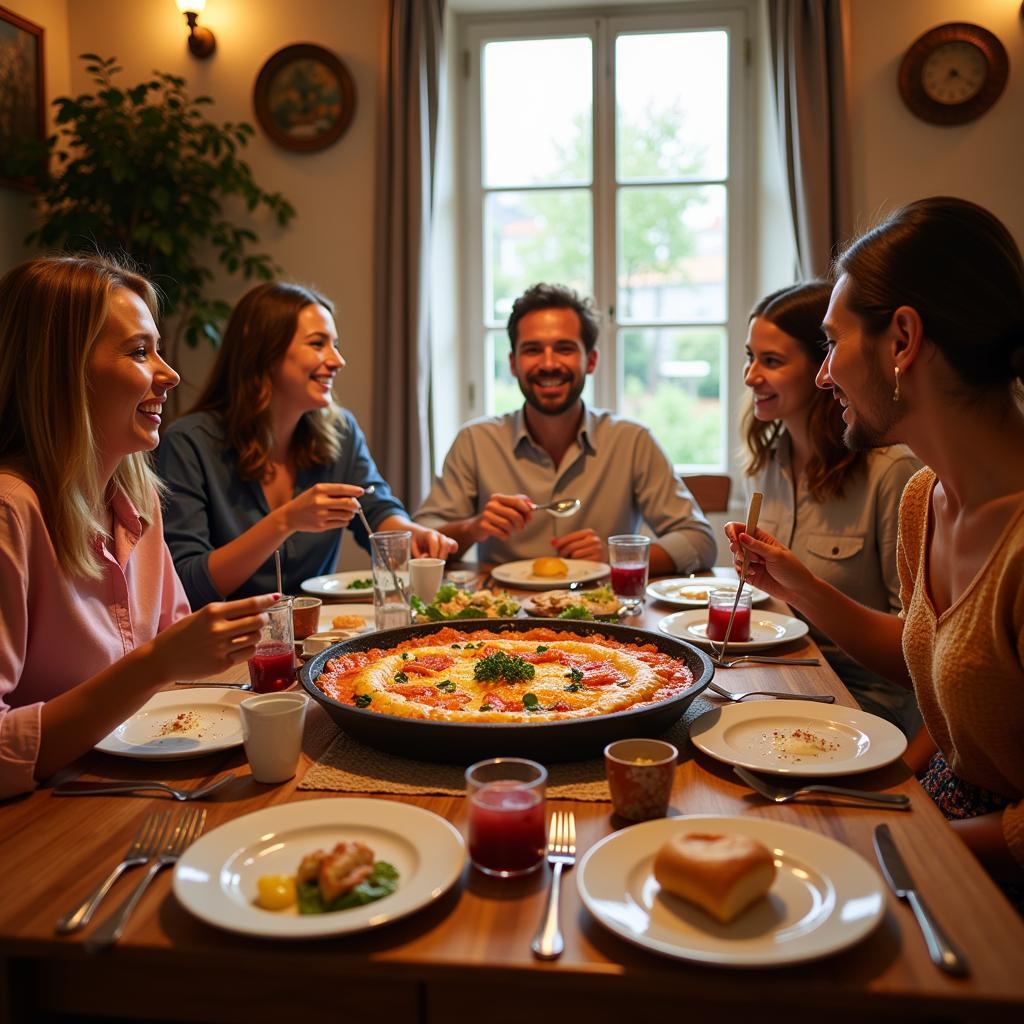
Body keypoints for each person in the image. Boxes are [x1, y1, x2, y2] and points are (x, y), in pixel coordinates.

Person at [726, 197, 1024, 896]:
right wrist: (798, 585)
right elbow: (935, 660)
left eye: (830, 343)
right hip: (939, 811)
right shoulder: (930, 498)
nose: (825, 375)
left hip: (985, 862)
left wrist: (910, 842)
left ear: (902, 341)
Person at [0, 256, 278, 800]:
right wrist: (157, 663)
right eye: (139, 351)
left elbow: (181, 657)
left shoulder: (136, 497)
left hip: (141, 786)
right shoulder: (11, 512)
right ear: (61, 370)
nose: (170, 373)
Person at [157, 282, 455, 608]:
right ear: (263, 351)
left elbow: (376, 509)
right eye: (318, 344)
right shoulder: (189, 443)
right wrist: (284, 522)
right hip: (229, 644)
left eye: (336, 345)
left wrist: (411, 536)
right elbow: (186, 582)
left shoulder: (341, 430)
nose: (338, 360)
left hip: (318, 636)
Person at [416, 283, 716, 573]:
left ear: (591, 360)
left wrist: (619, 557)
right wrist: (473, 527)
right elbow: (421, 543)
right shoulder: (476, 441)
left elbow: (700, 541)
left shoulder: (631, 440)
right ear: (513, 363)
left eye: (564, 348)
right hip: (504, 619)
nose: (548, 364)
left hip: (606, 616)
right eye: (533, 349)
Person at [742, 282, 922, 735]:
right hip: (786, 674)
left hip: (866, 700)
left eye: (772, 361)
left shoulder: (891, 472)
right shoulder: (770, 461)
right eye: (750, 357)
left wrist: (804, 589)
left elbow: (919, 649)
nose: (750, 376)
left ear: (822, 366)